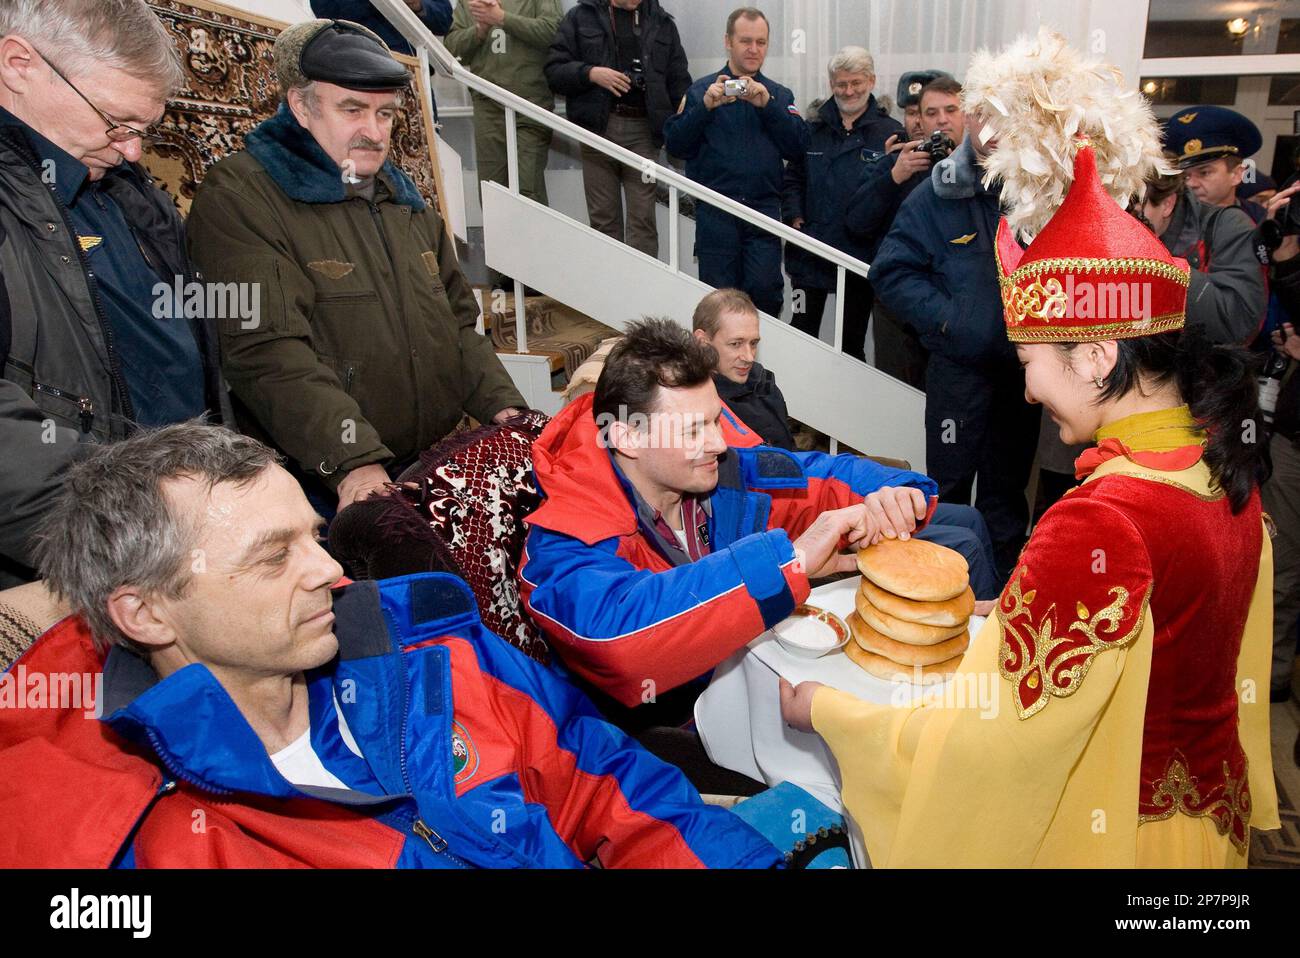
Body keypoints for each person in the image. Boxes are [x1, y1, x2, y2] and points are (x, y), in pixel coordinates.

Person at [782, 140, 1279, 867]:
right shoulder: (1216, 464)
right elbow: (1164, 625)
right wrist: (1005, 607)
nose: (1027, 392)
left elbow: (994, 747)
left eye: (1029, 362)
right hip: (1201, 831)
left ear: (1099, 355)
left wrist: (829, 714)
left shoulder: (1103, 517)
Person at [0, 421, 781, 869]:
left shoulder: (431, 647)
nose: (330, 570)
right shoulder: (138, 841)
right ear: (144, 615)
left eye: (311, 535)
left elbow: (606, 784)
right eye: (275, 558)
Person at [518, 317, 1000, 736]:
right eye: (694, 430)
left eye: (716, 420)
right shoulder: (564, 539)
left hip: (749, 684)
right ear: (627, 436)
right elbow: (619, 641)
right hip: (659, 738)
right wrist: (793, 561)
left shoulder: (718, 473)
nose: (719, 443)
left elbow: (818, 475)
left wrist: (897, 492)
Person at [186, 20, 524, 512]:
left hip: (420, 465)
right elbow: (268, 352)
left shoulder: (405, 204)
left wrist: (504, 406)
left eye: (385, 114)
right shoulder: (243, 198)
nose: (373, 131)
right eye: (352, 110)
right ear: (301, 107)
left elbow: (457, 328)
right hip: (320, 478)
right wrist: (353, 460)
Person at [0, 0, 228, 588]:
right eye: (116, 123)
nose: (132, 150)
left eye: (142, 131)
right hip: (95, 558)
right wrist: (136, 535)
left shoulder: (126, 187)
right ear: (18, 63)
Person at [870, 108, 1040, 579]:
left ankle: (1001, 613)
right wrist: (951, 322)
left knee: (1006, 503)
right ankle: (936, 595)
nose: (991, 129)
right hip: (956, 376)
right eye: (982, 114)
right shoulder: (937, 193)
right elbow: (890, 272)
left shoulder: (1043, 194)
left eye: (1005, 116)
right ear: (969, 116)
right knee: (944, 495)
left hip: (1024, 380)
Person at [662, 7, 807, 319]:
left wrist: (767, 105)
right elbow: (675, 145)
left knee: (767, 296)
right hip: (717, 211)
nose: (753, 49)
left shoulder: (778, 95)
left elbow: (798, 147)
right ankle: (718, 369)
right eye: (745, 41)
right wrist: (704, 108)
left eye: (761, 42)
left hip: (763, 212)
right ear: (728, 41)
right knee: (719, 308)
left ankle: (759, 367)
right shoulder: (701, 90)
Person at [781, 46, 901, 360]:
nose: (848, 91)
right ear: (831, 83)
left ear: (872, 81)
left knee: (851, 345)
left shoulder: (890, 133)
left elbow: (892, 195)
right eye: (841, 84)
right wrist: (793, 216)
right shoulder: (812, 128)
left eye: (856, 83)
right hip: (807, 256)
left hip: (859, 259)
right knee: (799, 332)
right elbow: (793, 177)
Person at [546, 0, 690, 258]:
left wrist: (681, 123)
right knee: (603, 220)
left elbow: (679, 82)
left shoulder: (662, 22)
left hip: (645, 134)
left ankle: (640, 293)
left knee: (643, 220)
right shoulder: (581, 16)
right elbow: (554, 72)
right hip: (598, 130)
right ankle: (607, 294)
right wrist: (591, 73)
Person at [844, 74, 962, 388]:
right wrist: (893, 176)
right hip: (895, 306)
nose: (925, 124)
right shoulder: (889, 164)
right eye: (913, 114)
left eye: (946, 112)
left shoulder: (971, 165)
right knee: (895, 390)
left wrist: (956, 168)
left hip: (950, 300)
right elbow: (856, 223)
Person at [445, 0, 562, 213]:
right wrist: (479, 30)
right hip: (488, 104)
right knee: (492, 189)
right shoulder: (471, 3)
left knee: (529, 188)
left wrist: (501, 18)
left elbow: (553, 32)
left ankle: (534, 243)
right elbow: (451, 47)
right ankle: (499, 245)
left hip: (530, 104)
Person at [1140, 166, 1267, 346]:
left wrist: (1161, 267)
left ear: (1167, 204)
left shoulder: (1230, 226)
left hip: (1203, 368)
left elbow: (1238, 323)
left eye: (1134, 210)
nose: (1123, 221)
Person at [692, 287, 795, 449]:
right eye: (735, 344)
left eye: (753, 343)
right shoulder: (688, 404)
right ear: (702, 341)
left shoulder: (764, 381)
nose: (749, 357)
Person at [1164, 105, 1266, 223]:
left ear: (1237, 174)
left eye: (1204, 173)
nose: (1191, 183)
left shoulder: (1258, 220)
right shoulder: (1167, 220)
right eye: (1185, 176)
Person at [310, 1, 452, 57]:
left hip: (412, 72)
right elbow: (325, 12)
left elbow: (444, 20)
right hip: (356, 67)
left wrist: (418, 5)